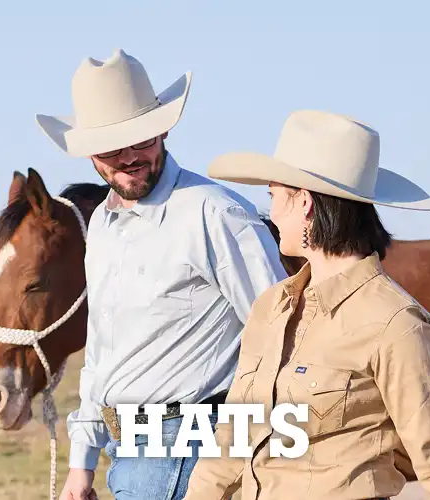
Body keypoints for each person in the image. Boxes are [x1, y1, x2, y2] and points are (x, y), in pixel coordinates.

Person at [35, 49, 288, 500]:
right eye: (112, 147)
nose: (130, 156)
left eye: (142, 140)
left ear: (164, 129)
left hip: (191, 444)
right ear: (89, 152)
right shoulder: (104, 225)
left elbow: (279, 336)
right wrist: (82, 465)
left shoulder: (215, 213)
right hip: (128, 447)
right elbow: (102, 352)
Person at [184, 110, 430, 499]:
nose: (272, 213)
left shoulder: (397, 324)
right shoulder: (271, 308)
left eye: (274, 196)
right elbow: (232, 438)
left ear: (305, 204)